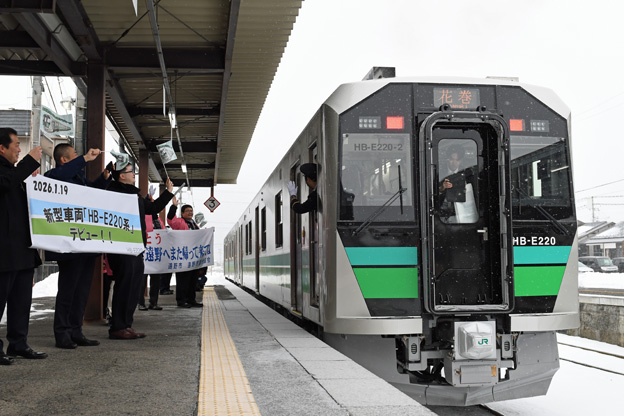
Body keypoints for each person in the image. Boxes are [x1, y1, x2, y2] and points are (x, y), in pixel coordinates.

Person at [44, 144, 112, 349]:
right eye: (75, 155)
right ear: (64, 160)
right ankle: (62, 333)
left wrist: (104, 178)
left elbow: (93, 193)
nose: (79, 157)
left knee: (82, 291)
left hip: (85, 243)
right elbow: (57, 176)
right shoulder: (55, 176)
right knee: (68, 291)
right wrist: (85, 159)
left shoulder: (79, 179)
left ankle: (76, 330)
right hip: (68, 245)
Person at [106, 165, 174, 339]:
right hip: (122, 246)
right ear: (122, 176)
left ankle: (126, 325)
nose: (134, 174)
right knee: (124, 286)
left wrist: (168, 192)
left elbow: (152, 208)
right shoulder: (113, 192)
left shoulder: (134, 194)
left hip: (136, 246)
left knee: (134, 288)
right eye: (131, 172)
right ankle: (117, 327)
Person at [0, 127, 47, 364]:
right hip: (3, 252)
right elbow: (5, 183)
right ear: (1, 148)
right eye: (16, 144)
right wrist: (29, 163)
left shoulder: (15, 173)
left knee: (21, 302)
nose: (20, 149)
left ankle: (19, 343)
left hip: (22, 249)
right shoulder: (8, 173)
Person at [167, 197, 202, 308]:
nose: (190, 212)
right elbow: (170, 220)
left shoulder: (194, 224)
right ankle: (181, 300)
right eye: (187, 211)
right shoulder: (179, 222)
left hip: (193, 256)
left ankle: (191, 300)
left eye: (191, 211)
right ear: (182, 213)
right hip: (183, 255)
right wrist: (174, 207)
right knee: (183, 279)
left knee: (193, 279)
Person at [138, 195, 166, 311]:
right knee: (142, 280)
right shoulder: (142, 216)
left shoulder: (158, 220)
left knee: (155, 280)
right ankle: (141, 303)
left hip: (155, 254)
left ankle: (153, 302)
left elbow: (163, 231)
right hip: (145, 253)